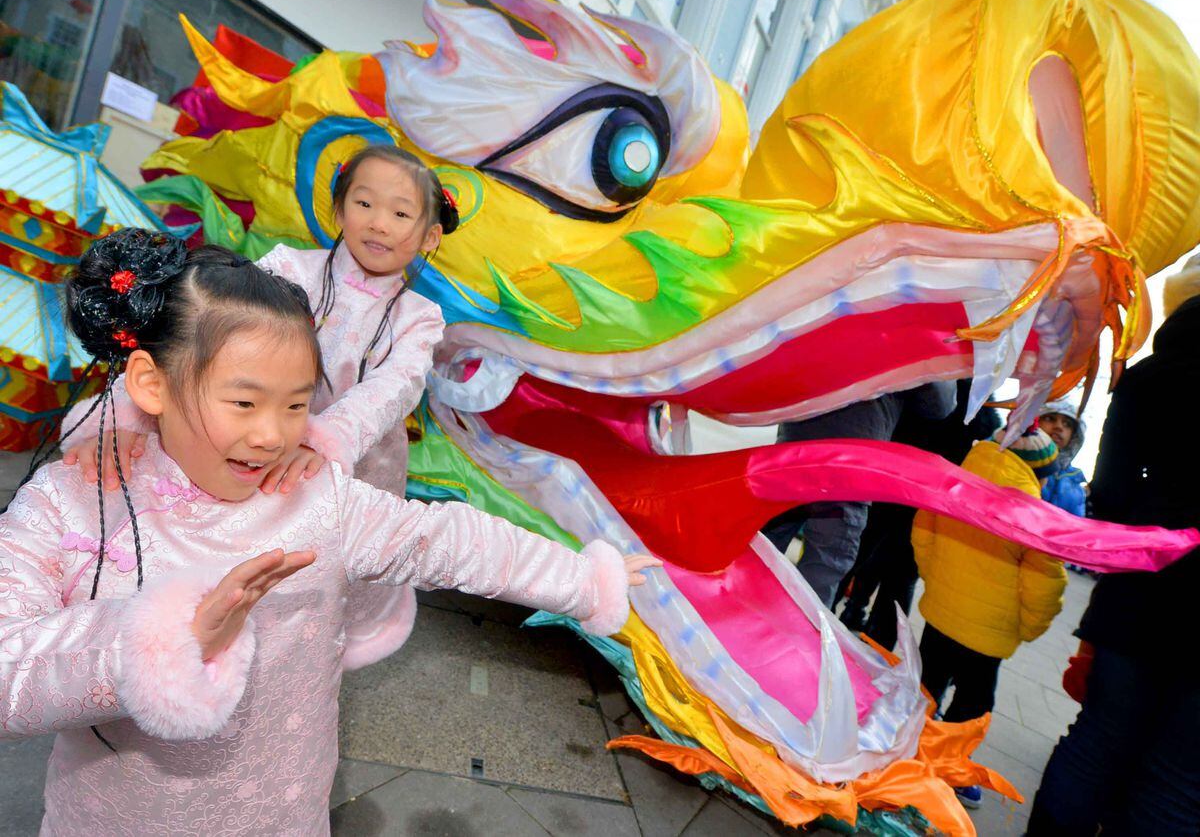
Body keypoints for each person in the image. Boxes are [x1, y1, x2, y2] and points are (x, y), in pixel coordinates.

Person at [0, 230, 659, 834]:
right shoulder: (71, 504)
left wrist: (579, 577)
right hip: (114, 816)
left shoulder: (315, 500)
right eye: (244, 402)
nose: (271, 434)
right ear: (151, 382)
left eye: (295, 405)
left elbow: (446, 541)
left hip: (281, 811)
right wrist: (156, 645)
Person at [62, 144, 451, 671]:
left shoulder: (420, 318)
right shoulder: (287, 269)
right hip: (247, 436)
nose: (379, 223)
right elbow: (204, 333)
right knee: (233, 542)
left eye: (401, 213)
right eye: (363, 203)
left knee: (320, 572)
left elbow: (394, 388)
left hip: (355, 460)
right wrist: (119, 418)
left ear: (430, 235)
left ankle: (305, 654)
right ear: (337, 210)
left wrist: (321, 439)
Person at [1026, 256, 1200, 836]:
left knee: (1100, 741)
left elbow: (1111, 491)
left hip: (1146, 589)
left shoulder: (1155, 374)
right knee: (1179, 783)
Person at [912, 423, 1067, 809]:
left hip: (941, 612)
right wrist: (1026, 628)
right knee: (973, 703)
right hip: (988, 636)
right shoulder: (1035, 519)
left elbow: (923, 532)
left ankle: (905, 748)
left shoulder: (955, 484)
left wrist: (937, 580)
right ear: (1037, 475)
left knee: (925, 685)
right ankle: (949, 769)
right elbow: (1045, 586)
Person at [838, 380, 1001, 649]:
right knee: (895, 572)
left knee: (862, 551)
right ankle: (878, 644)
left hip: (897, 481)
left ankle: (834, 618)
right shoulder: (977, 401)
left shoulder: (938, 379)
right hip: (919, 494)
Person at [765, 383, 956, 607]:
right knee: (822, 568)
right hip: (851, 461)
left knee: (763, 546)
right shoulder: (914, 348)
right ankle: (798, 637)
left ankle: (732, 624)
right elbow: (939, 404)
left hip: (796, 445)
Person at [1036, 400, 1088, 517]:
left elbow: (1076, 527)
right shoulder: (1012, 459)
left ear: (1073, 436)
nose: (1059, 427)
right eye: (1050, 418)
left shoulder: (1075, 481)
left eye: (1067, 424)